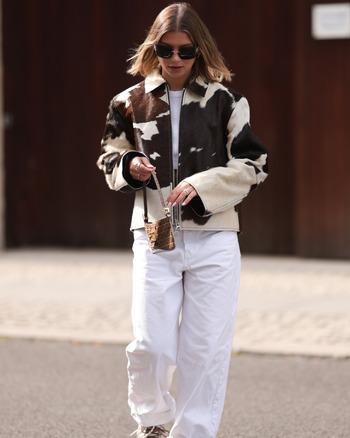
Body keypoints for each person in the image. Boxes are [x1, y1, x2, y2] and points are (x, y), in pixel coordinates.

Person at [96, 3, 268, 437]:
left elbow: (253, 165)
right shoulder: (127, 102)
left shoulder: (226, 101)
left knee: (204, 350)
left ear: (199, 50)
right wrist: (129, 164)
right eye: (166, 49)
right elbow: (109, 158)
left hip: (215, 238)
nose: (175, 59)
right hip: (155, 233)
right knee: (151, 343)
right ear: (153, 49)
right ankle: (152, 423)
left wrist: (202, 185)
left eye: (185, 51)